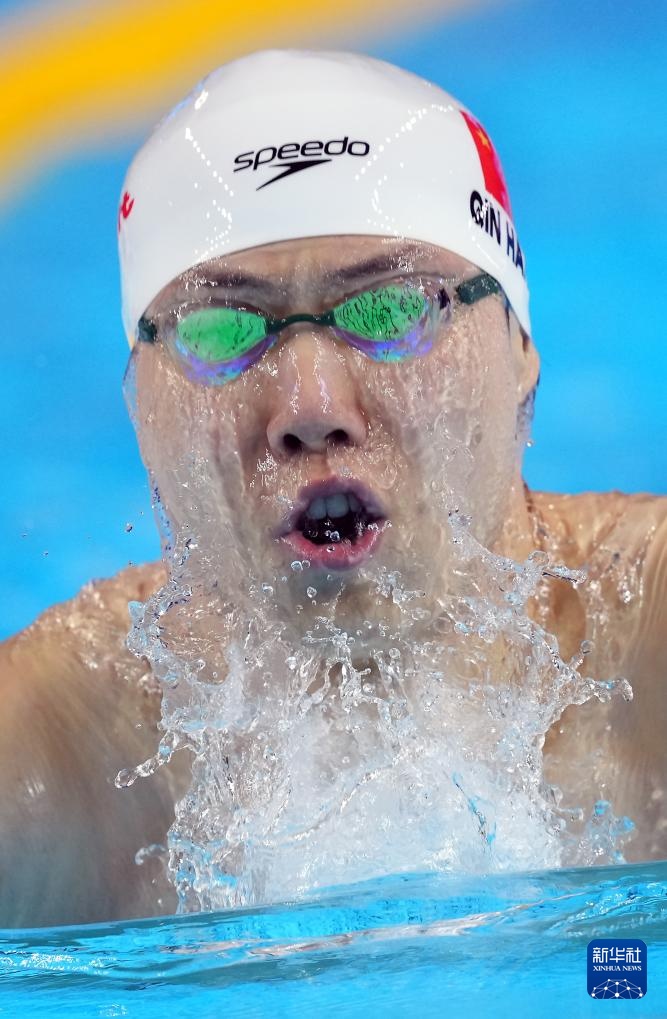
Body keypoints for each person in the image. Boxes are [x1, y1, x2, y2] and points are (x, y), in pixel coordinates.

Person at [1, 50, 665, 929]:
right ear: (138, 404)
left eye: (389, 310)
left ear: (518, 348)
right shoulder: (51, 758)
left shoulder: (648, 639)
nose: (310, 408)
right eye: (221, 329)